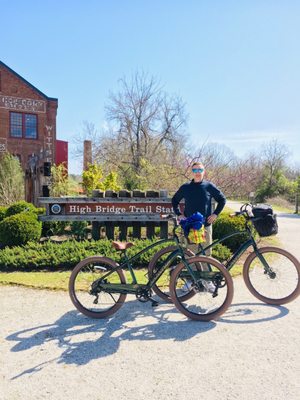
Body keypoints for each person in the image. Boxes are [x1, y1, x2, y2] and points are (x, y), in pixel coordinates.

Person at [172, 161, 226, 254]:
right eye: (195, 170)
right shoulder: (185, 187)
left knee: (206, 256)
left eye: (200, 169)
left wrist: (215, 214)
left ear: (204, 171)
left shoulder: (209, 186)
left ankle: (205, 269)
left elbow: (222, 199)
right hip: (190, 226)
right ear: (192, 172)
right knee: (191, 256)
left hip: (205, 226)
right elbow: (174, 200)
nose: (197, 172)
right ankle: (192, 269)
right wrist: (179, 214)